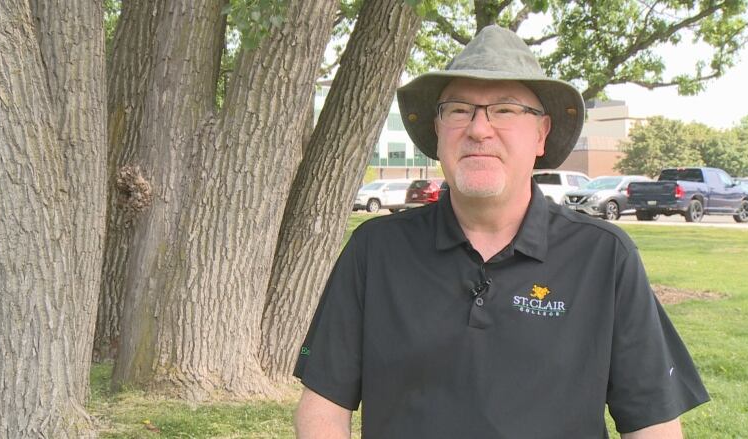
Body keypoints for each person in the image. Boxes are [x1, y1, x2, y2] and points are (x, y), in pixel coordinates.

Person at [293, 25, 709, 438]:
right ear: (438, 131)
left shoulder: (605, 257)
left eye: (505, 110)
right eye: (458, 109)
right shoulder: (375, 249)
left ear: (541, 134)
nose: (478, 129)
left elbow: (653, 424)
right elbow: (324, 405)